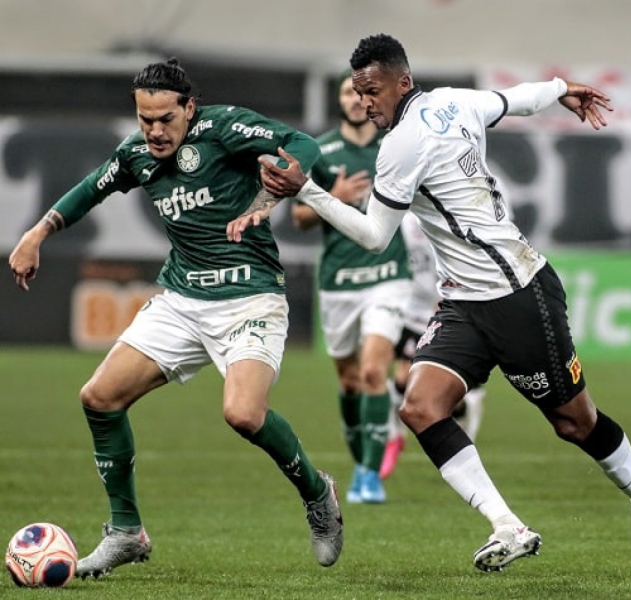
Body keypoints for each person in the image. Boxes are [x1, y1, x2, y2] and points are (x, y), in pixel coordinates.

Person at [232, 34, 631, 577]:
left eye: (373, 91)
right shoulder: (455, 101)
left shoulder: (400, 146)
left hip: (518, 294)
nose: (367, 103)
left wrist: (310, 192)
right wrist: (562, 89)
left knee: (574, 423)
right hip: (464, 303)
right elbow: (516, 99)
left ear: (403, 82)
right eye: (358, 93)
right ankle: (506, 525)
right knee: (419, 407)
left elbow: (373, 235)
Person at [8, 57, 344, 578]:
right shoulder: (137, 153)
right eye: (145, 120)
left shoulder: (223, 126)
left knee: (244, 415)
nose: (155, 131)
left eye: (166, 118)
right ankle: (125, 532)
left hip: (250, 297)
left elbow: (304, 144)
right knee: (99, 398)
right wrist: (37, 233)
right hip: (181, 300)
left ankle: (318, 492)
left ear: (189, 108)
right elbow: (89, 189)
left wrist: (270, 192)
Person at [291, 70, 412, 503]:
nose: (356, 98)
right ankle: (361, 458)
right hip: (339, 280)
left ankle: (368, 474)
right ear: (340, 100)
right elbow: (299, 220)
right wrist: (333, 196)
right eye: (347, 90)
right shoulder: (320, 150)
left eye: (362, 91)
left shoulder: (395, 143)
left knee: (374, 371)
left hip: (388, 275)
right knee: (348, 381)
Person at [379, 212, 485, 479]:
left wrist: (445, 295)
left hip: (441, 306)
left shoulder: (439, 216)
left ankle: (462, 420)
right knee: (402, 379)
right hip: (410, 308)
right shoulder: (401, 219)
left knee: (442, 396)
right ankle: (394, 438)